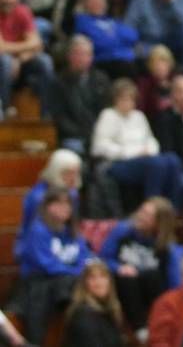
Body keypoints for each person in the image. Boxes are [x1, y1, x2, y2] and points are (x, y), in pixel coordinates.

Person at [15, 188, 92, 345]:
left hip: (67, 284)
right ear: (47, 206)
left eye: (68, 204)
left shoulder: (74, 232)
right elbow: (47, 265)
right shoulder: (38, 229)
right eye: (58, 203)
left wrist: (81, 271)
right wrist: (77, 272)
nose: (64, 208)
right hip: (38, 284)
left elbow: (85, 257)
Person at [91, 78, 183, 207]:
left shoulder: (139, 116)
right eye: (123, 99)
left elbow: (151, 139)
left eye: (130, 99)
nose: (127, 103)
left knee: (173, 160)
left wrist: (150, 151)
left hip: (144, 159)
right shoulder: (108, 115)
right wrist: (133, 153)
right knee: (156, 164)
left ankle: (173, 209)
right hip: (118, 163)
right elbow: (99, 147)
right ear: (115, 99)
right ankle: (151, 208)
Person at [99, 197, 180, 337]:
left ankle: (162, 325)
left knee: (151, 275)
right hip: (124, 286)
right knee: (128, 277)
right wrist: (118, 267)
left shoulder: (166, 247)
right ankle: (140, 329)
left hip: (152, 289)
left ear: (159, 223)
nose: (141, 216)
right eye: (142, 211)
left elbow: (173, 280)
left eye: (148, 215)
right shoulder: (122, 230)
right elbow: (103, 258)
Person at [15, 148, 82, 261]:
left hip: (65, 245)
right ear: (56, 171)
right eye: (68, 173)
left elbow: (72, 226)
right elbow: (31, 229)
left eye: (76, 173)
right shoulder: (37, 196)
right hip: (40, 249)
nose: (73, 178)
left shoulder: (73, 193)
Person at [0, 0, 53, 117]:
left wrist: (18, 60)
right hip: (3, 64)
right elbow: (1, 48)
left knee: (45, 61)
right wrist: (25, 47)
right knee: (5, 61)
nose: (8, 0)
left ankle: (46, 112)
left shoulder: (23, 11)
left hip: (20, 62)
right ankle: (4, 109)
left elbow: (37, 44)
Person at [51, 34, 112, 155]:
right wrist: (83, 134)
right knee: (75, 149)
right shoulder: (58, 82)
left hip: (98, 133)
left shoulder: (101, 80)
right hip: (72, 136)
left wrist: (97, 133)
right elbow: (59, 117)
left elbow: (106, 111)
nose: (82, 58)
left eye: (87, 54)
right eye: (79, 54)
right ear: (70, 56)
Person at [73, 0, 138, 80]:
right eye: (93, 0)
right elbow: (100, 43)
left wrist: (112, 37)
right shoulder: (82, 21)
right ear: (85, 3)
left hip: (123, 60)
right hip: (102, 62)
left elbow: (133, 35)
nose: (98, 2)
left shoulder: (110, 20)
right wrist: (118, 38)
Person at [63, 260, 127, 347]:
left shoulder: (110, 310)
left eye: (103, 277)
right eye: (92, 278)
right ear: (84, 284)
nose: (99, 283)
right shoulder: (82, 313)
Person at [137, 44, 176, 125]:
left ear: (170, 64)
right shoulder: (145, 83)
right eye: (156, 64)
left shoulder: (176, 81)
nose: (159, 67)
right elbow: (141, 109)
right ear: (150, 66)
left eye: (163, 63)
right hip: (153, 123)